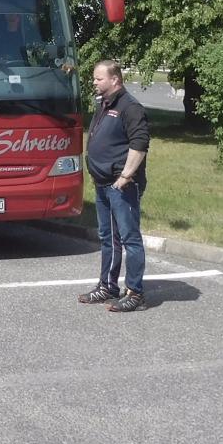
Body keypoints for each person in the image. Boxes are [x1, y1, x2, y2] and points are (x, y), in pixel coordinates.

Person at [79, 59, 150, 313]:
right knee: (108, 238)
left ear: (115, 80)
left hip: (121, 185)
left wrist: (126, 176)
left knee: (130, 238)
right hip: (103, 183)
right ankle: (108, 286)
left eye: (99, 78)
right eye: (95, 78)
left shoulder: (130, 107)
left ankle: (136, 293)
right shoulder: (105, 104)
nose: (94, 82)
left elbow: (140, 143)